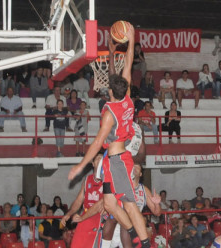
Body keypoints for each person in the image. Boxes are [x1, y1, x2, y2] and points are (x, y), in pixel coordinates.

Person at [68, 23, 152, 248]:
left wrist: (80, 166)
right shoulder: (127, 99)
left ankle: (143, 241)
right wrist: (130, 39)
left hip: (117, 161)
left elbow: (97, 142)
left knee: (128, 204)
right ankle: (133, 231)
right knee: (110, 204)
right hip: (110, 161)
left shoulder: (109, 113)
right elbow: (127, 65)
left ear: (109, 91)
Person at [60, 152, 103, 248]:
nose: (100, 160)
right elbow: (78, 201)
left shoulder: (108, 180)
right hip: (85, 215)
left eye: (102, 159)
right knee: (76, 244)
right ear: (93, 163)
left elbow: (100, 204)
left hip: (99, 216)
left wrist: (83, 217)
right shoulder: (88, 179)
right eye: (97, 159)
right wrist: (68, 214)